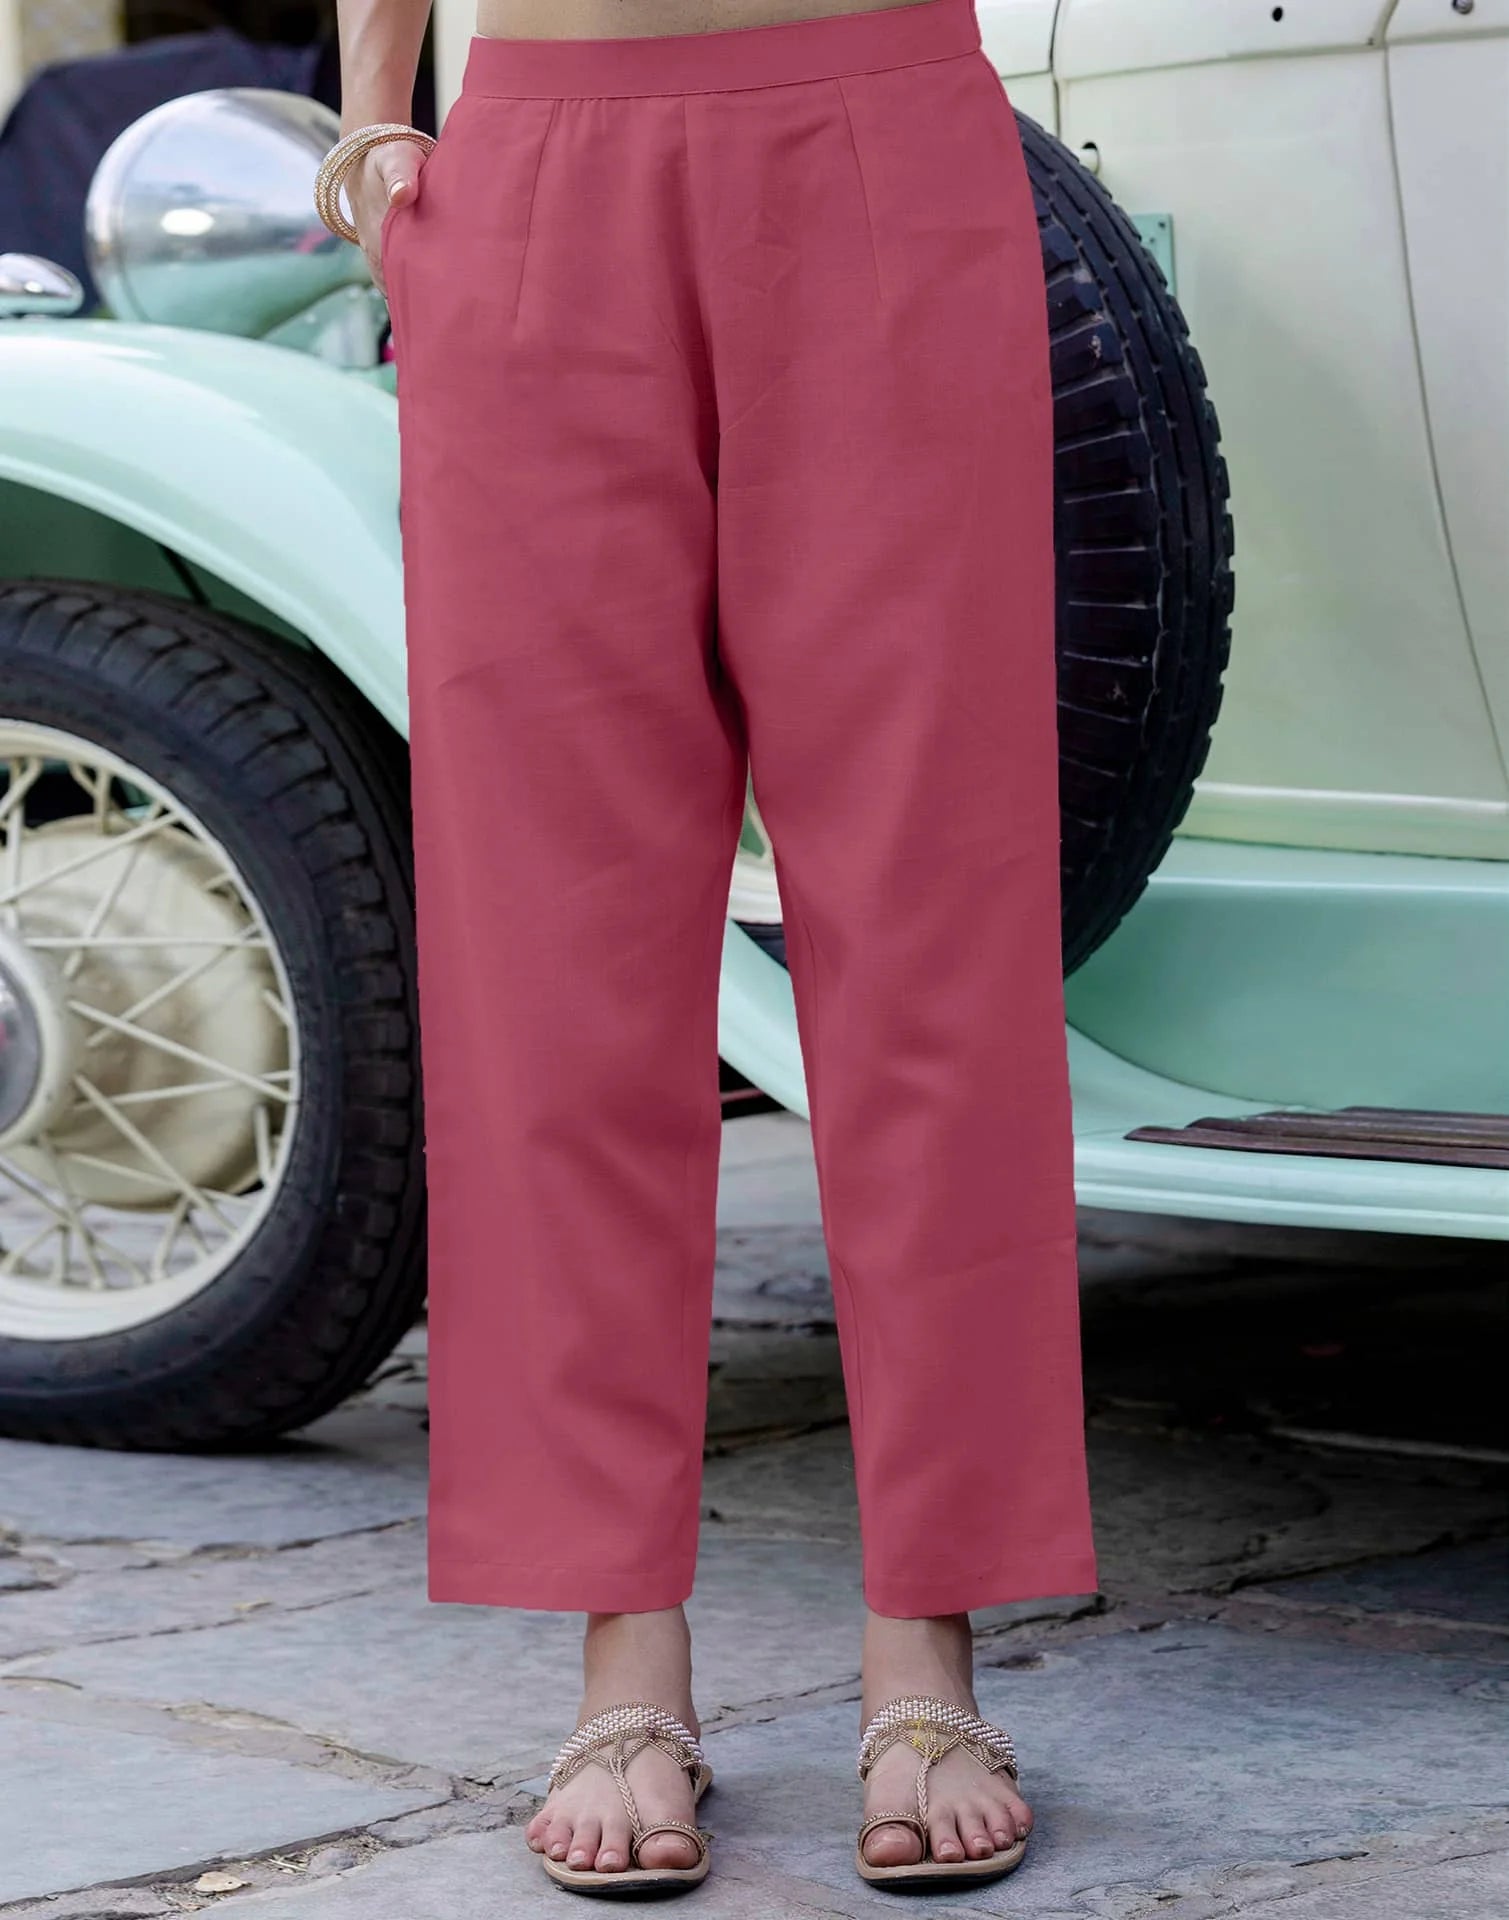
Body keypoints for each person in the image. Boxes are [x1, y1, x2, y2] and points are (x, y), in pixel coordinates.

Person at [318, 0, 1098, 1894]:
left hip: (878, 132)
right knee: (551, 952)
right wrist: (370, 116)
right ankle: (622, 1656)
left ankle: (926, 1638)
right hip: (532, 163)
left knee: (932, 922)